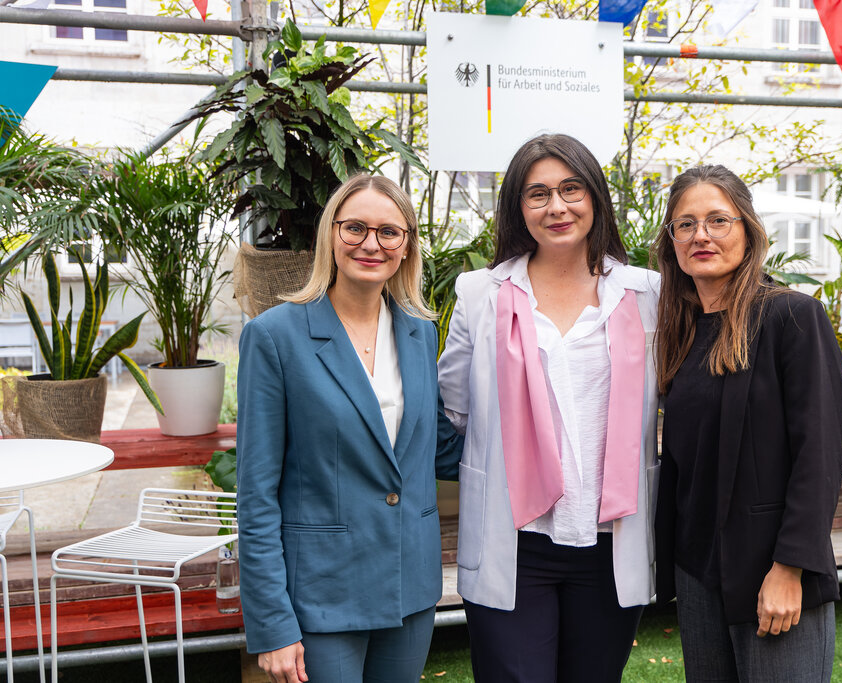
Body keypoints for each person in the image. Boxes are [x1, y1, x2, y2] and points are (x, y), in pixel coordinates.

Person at [437, 133, 661, 682]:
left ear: (596, 197)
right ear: (518, 206)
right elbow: (455, 408)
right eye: (538, 194)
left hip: (611, 538)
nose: (557, 206)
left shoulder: (647, 294)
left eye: (571, 189)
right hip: (512, 539)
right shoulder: (479, 294)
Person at [235, 174, 462, 683]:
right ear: (331, 235)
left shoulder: (420, 333)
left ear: (407, 246)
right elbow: (256, 494)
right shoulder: (274, 337)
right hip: (322, 593)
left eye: (389, 232)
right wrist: (272, 624)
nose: (371, 244)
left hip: (410, 584)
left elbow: (437, 449)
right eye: (355, 227)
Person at [653, 165, 842, 682]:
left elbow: (819, 455)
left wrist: (790, 568)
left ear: (748, 230)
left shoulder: (792, 317)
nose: (701, 235)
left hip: (771, 568)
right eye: (686, 224)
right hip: (697, 571)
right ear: (671, 240)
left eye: (718, 220)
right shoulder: (680, 330)